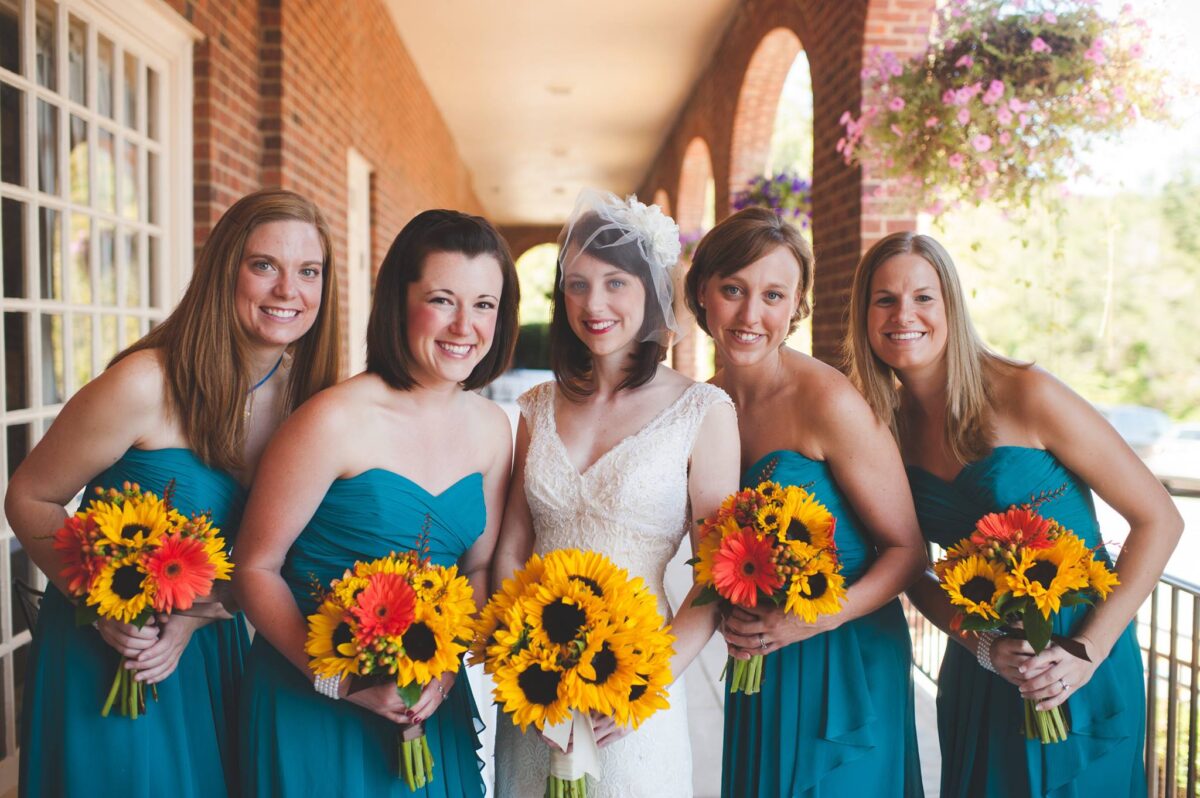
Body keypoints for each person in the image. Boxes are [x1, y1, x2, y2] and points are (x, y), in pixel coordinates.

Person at [4, 189, 340, 797]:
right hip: (107, 648)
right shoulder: (144, 384)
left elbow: (271, 562)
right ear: (225, 271)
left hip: (206, 649)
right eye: (264, 265)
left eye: (308, 271)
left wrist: (196, 618)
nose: (288, 290)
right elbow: (29, 497)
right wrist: (106, 607)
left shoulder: (309, 408)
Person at [845, 231, 1183, 797]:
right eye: (885, 300)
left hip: (1079, 660)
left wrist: (1088, 651)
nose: (904, 315)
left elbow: (1160, 520)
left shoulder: (1028, 394)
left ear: (951, 307)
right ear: (865, 315)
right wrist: (982, 648)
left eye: (923, 297)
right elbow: (909, 567)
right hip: (986, 669)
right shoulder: (885, 432)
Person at [234, 209, 518, 797]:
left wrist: (443, 667)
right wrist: (340, 680)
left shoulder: (493, 429)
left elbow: (478, 568)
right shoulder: (331, 419)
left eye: (484, 305)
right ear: (399, 301)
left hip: (428, 705)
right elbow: (255, 566)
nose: (464, 325)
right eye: (442, 300)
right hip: (313, 706)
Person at [490, 189, 740, 798]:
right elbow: (513, 548)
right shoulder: (536, 407)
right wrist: (523, 665)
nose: (593, 303)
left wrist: (641, 685)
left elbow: (716, 576)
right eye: (577, 285)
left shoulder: (703, 411)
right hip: (535, 688)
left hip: (635, 684)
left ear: (652, 292)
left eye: (615, 283)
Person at [683, 207, 927, 797]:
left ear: (796, 306)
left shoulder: (828, 401)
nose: (750, 315)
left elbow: (907, 551)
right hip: (759, 661)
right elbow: (707, 562)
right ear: (702, 293)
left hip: (847, 661)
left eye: (773, 295)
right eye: (733, 290)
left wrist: (814, 618)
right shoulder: (697, 411)